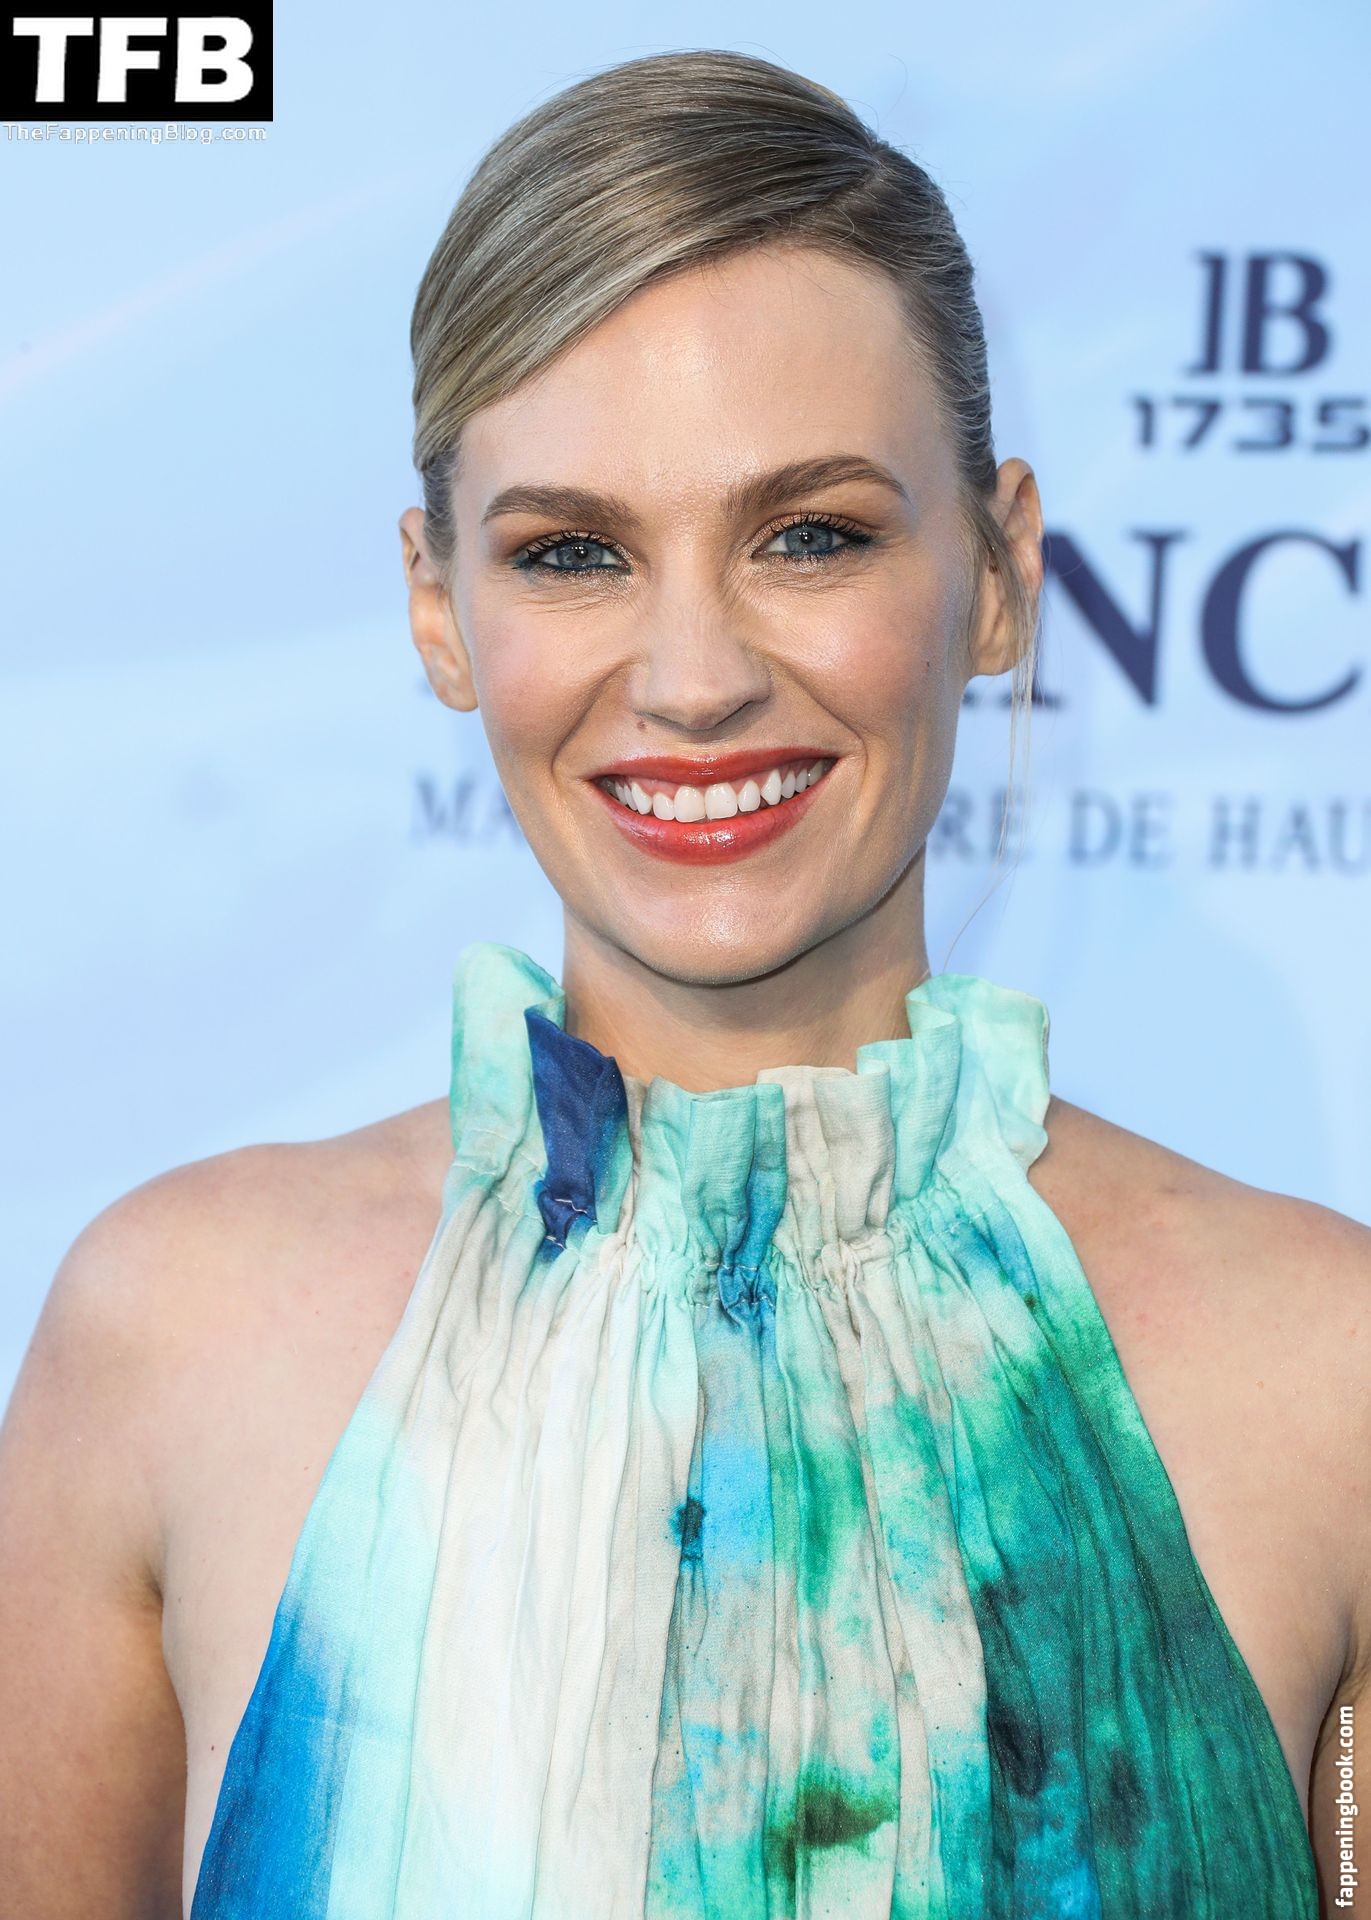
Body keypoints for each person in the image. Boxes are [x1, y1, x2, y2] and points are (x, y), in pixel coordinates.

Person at [0, 48, 1365, 1920]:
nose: (695, 677)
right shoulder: (168, 1337)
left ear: (998, 574)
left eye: (811, 535)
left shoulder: (1332, 1372)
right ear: (437, 607)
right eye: (572, 553)